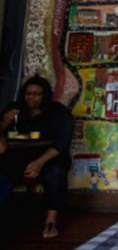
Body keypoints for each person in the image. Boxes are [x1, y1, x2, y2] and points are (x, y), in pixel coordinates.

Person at [0, 75, 73, 238]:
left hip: (48, 158)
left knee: (56, 172)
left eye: (36, 94)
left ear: (45, 95)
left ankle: (51, 221)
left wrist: (39, 162)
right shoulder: (15, 109)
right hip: (17, 157)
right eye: (27, 93)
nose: (30, 97)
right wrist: (5, 122)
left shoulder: (57, 112)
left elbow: (62, 142)